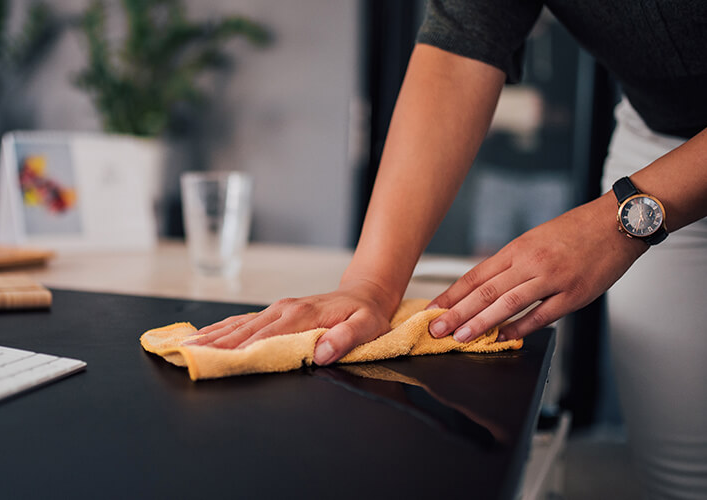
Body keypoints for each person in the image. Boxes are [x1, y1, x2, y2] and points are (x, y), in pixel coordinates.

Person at [187, 1, 707, 497]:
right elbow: (459, 47)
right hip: (662, 139)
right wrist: (371, 283)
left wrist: (614, 223)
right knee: (684, 471)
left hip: (644, 190)